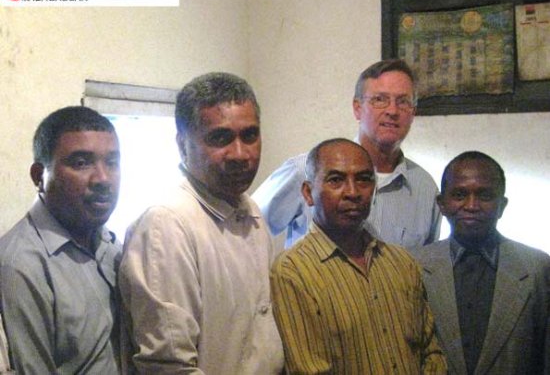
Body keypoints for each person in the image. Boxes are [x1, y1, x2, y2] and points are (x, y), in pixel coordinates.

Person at [119, 72, 284, 374]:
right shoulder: (166, 226)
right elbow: (170, 367)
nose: (240, 154)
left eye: (250, 135)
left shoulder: (249, 209)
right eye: (220, 138)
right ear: (182, 145)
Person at [270, 138, 447, 374]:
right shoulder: (292, 272)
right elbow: (309, 369)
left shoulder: (401, 263)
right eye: (336, 180)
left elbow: (430, 351)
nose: (353, 192)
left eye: (363, 179)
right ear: (308, 193)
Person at [253, 59, 441, 248]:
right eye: (380, 100)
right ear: (357, 108)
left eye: (403, 102)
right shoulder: (305, 171)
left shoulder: (424, 189)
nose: (392, 110)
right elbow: (247, 231)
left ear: (413, 112)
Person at [0, 106, 122, 374]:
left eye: (112, 162)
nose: (103, 179)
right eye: (81, 163)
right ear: (39, 176)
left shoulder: (111, 245)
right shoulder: (21, 264)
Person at [412, 151, 550, 374]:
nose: (471, 205)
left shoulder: (537, 268)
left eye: (485, 196)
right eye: (459, 194)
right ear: (442, 203)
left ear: (502, 205)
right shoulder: (414, 266)